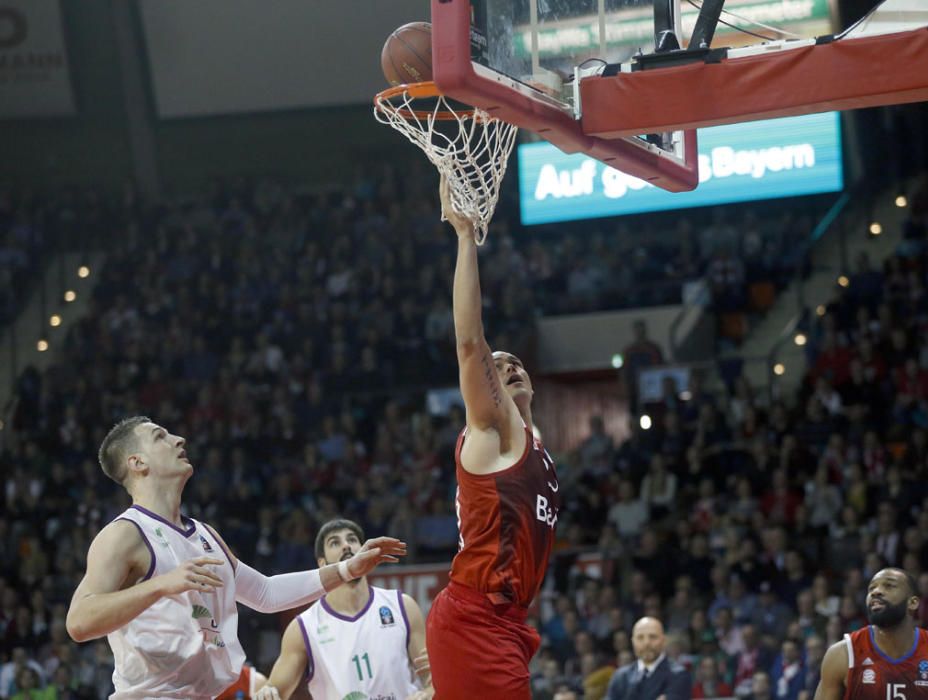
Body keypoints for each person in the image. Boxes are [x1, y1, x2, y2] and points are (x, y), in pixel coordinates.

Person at [66, 417, 406, 700]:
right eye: (160, 437)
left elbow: (267, 594)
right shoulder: (125, 534)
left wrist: (348, 568)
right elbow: (79, 622)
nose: (179, 439)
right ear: (137, 463)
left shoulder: (205, 534)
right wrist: (160, 586)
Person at [425, 177, 560, 698]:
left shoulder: (535, 441)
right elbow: (468, 341)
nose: (508, 367)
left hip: (504, 617)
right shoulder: (494, 429)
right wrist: (464, 236)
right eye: (498, 367)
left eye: (516, 362)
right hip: (476, 615)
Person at [253, 518, 433, 700]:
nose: (346, 545)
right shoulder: (303, 627)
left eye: (352, 539)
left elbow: (433, 679)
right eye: (335, 543)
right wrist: (267, 692)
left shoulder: (402, 606)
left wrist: (427, 693)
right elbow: (275, 689)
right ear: (322, 563)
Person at [813, 567, 928, 699]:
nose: (876, 592)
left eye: (889, 586)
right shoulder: (842, 654)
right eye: (871, 588)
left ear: (913, 603)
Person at [605, 617, 692, 700]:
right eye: (640, 637)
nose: (646, 643)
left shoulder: (679, 675)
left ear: (663, 640)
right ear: (633, 641)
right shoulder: (620, 676)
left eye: (653, 637)